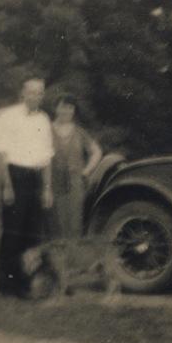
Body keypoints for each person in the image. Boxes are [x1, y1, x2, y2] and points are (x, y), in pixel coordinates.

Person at [0, 78, 54, 298]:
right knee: (12, 232)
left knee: (32, 235)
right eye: (31, 92)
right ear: (23, 93)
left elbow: (46, 157)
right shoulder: (8, 117)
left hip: (36, 179)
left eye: (39, 93)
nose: (35, 96)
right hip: (15, 177)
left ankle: (25, 285)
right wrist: (7, 186)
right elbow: (1, 154)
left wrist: (46, 189)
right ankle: (6, 286)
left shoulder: (44, 119)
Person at [47, 93, 103, 297]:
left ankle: (70, 280)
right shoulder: (47, 130)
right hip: (53, 185)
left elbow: (97, 151)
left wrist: (86, 171)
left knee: (73, 230)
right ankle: (58, 278)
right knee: (56, 231)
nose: (66, 111)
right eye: (62, 107)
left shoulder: (80, 132)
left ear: (74, 111)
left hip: (75, 186)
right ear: (56, 108)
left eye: (70, 108)